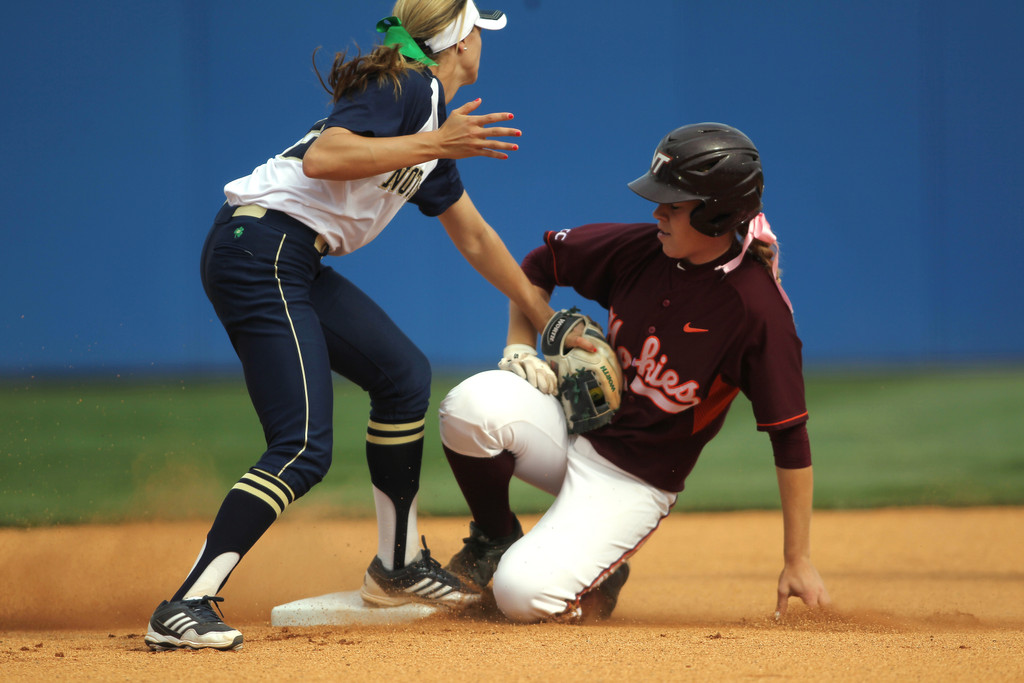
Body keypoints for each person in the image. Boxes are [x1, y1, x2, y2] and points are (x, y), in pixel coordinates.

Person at [145, 0, 567, 651]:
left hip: (288, 256)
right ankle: (184, 603)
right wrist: (438, 141)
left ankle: (396, 566)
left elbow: (477, 238)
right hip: (261, 249)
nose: (484, 39)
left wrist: (548, 320)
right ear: (457, 41)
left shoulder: (427, 123)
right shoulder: (410, 86)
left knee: (403, 376)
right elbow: (326, 155)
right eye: (479, 28)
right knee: (302, 446)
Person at [438, 123, 832, 623]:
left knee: (519, 595)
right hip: (571, 429)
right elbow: (542, 263)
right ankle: (494, 538)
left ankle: (596, 569)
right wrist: (520, 345)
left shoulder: (756, 310)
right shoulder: (643, 250)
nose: (657, 212)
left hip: (634, 480)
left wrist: (797, 559)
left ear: (717, 213)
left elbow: (790, 436)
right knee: (468, 407)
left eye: (674, 203)